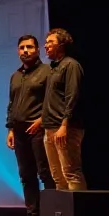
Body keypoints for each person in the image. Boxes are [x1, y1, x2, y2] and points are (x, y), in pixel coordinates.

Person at [4, 35, 54, 216]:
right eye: (22, 47)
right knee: (26, 175)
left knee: (45, 173)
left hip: (38, 130)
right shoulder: (15, 76)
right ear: (18, 51)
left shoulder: (46, 72)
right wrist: (10, 129)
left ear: (37, 50)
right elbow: (11, 104)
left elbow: (52, 100)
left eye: (30, 47)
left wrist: (41, 121)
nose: (26, 50)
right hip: (19, 131)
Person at [42, 28, 86, 190]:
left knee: (71, 172)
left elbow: (72, 96)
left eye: (50, 43)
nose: (46, 46)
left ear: (61, 45)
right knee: (57, 176)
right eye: (46, 43)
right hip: (50, 128)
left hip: (65, 127)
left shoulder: (71, 65)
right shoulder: (53, 69)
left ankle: (79, 214)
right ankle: (63, 214)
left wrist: (64, 125)